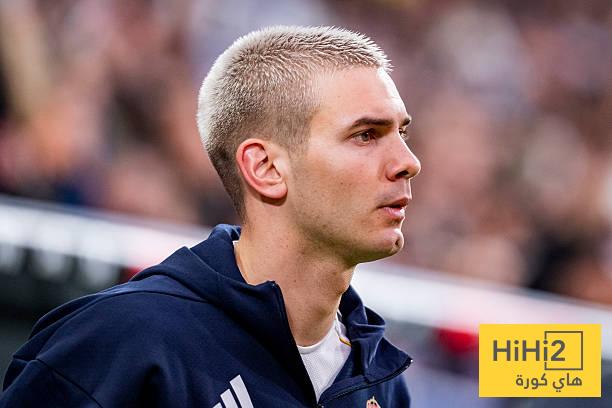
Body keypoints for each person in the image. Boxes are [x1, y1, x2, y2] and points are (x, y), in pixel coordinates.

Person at [1, 25, 421, 407]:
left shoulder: (380, 380)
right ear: (266, 168)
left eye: (401, 133)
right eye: (366, 135)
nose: (409, 162)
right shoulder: (124, 342)